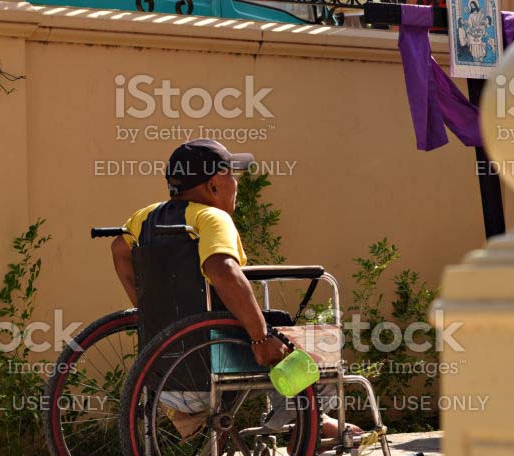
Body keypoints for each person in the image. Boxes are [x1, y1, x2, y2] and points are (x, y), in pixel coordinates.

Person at [111, 138, 355, 439]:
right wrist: (261, 337)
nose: (235, 183)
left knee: (269, 323)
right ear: (213, 185)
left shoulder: (145, 217)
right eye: (231, 174)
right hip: (212, 364)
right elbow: (222, 270)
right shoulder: (210, 217)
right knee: (318, 345)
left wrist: (149, 311)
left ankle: (299, 424)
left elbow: (119, 250)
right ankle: (307, 426)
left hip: (166, 376)